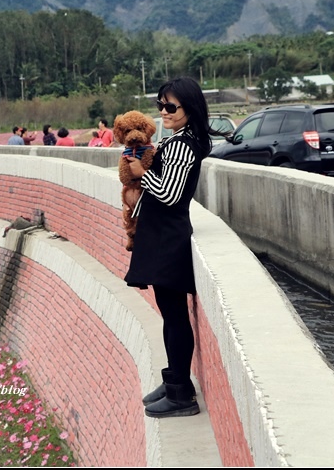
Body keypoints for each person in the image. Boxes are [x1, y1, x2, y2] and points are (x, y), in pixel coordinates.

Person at [124, 77, 230, 419]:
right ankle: (174, 381)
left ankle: (181, 392)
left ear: (190, 109)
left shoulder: (184, 146)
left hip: (169, 238)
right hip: (162, 235)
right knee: (170, 315)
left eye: (171, 107)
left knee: (174, 318)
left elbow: (170, 194)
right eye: (161, 106)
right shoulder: (181, 140)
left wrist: (142, 171)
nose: (164, 112)